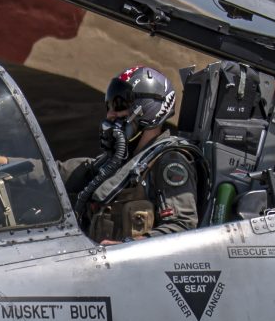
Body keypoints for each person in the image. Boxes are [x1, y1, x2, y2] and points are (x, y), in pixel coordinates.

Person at [69, 65, 197, 244]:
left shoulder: (169, 162)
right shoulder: (118, 160)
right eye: (109, 106)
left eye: (118, 105)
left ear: (147, 109)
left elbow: (182, 226)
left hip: (131, 261)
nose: (110, 114)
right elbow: (66, 171)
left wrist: (127, 247)